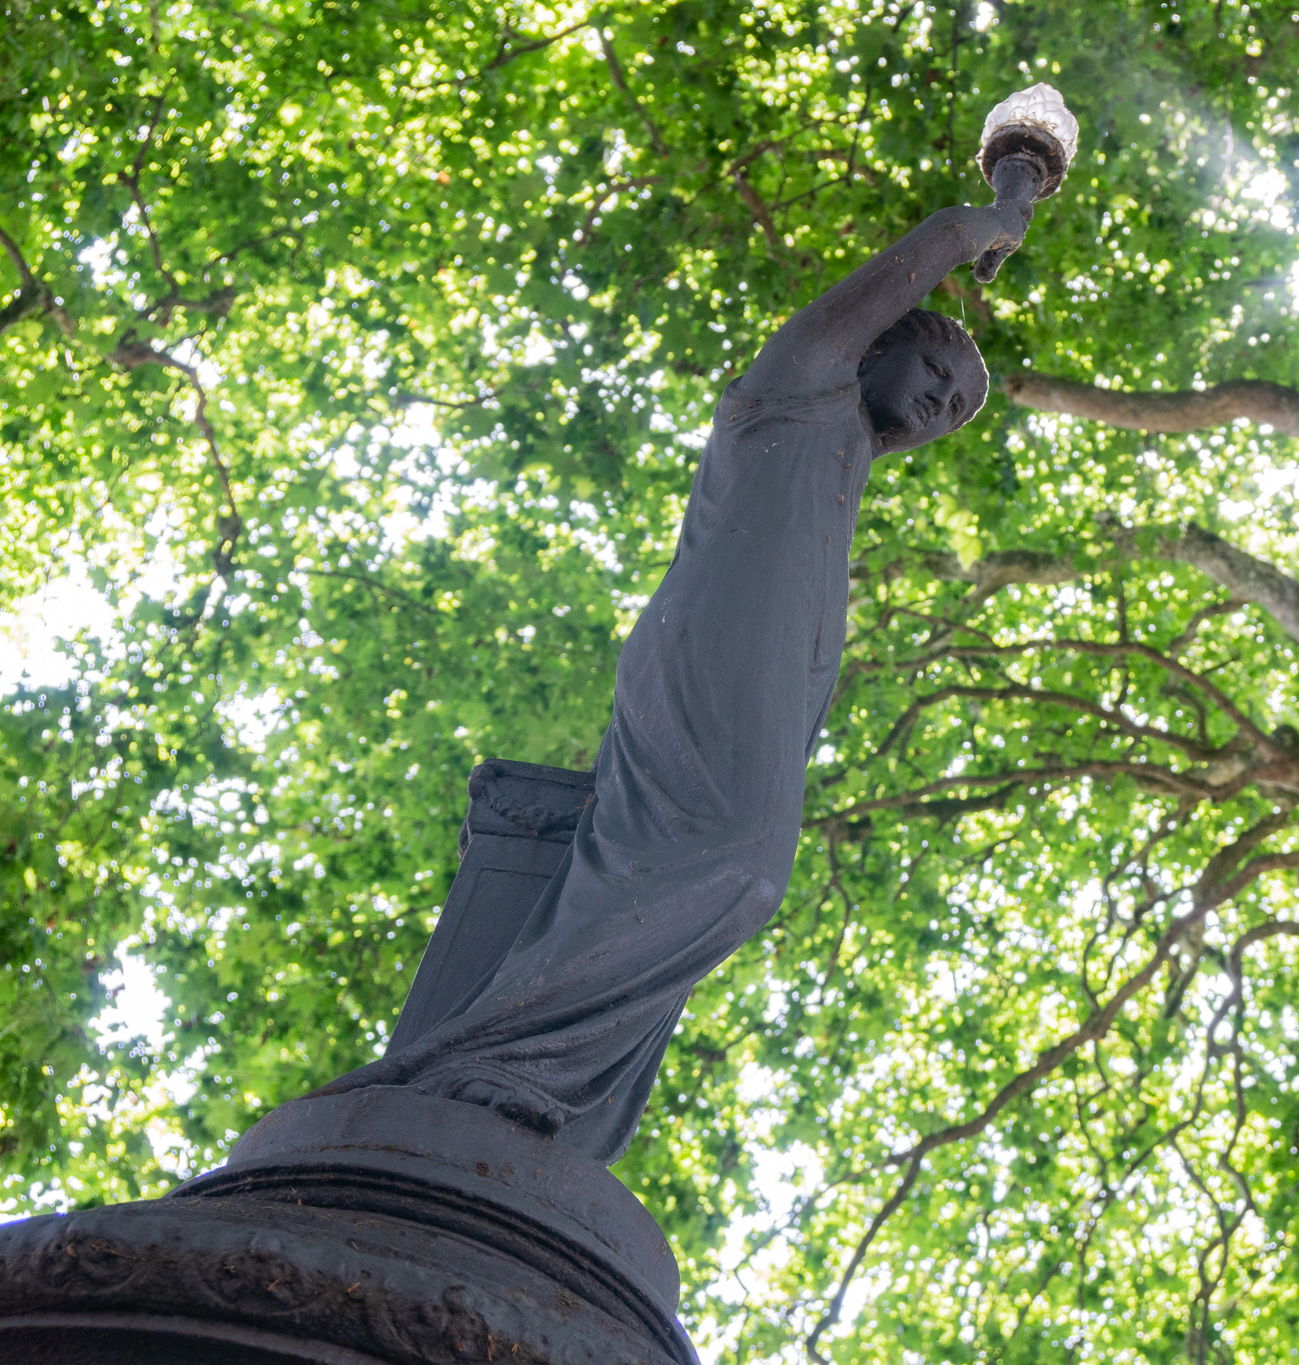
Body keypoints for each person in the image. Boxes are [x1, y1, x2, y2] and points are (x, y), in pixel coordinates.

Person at [316, 183, 1039, 1165]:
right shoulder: (794, 388)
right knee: (738, 863)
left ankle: (535, 1089)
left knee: (728, 876)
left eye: (955, 410)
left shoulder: (844, 474)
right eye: (937, 368)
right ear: (881, 343)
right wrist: (987, 216)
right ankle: (490, 1060)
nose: (938, 403)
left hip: (762, 693)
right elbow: (887, 282)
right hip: (708, 660)